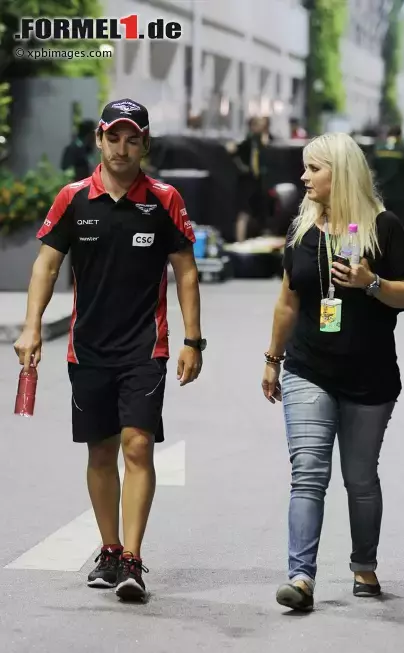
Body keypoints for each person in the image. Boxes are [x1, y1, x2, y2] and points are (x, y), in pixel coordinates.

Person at [14, 98, 207, 602]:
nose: (122, 148)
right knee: (100, 450)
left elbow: (186, 270)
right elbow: (45, 267)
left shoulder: (164, 199)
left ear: (145, 144)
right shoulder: (73, 198)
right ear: (100, 140)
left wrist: (192, 339)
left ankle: (133, 561)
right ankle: (109, 548)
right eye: (113, 137)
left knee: (137, 445)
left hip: (146, 346)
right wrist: (31, 327)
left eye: (133, 138)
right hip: (89, 349)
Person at [262, 132, 404, 612]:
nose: (303, 177)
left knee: (359, 478)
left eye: (314, 169)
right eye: (304, 168)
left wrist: (370, 283)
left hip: (370, 376)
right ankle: (301, 577)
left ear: (341, 172)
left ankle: (364, 567)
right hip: (308, 368)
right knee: (308, 473)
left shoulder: (384, 227)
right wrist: (273, 360)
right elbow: (288, 301)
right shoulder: (301, 230)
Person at [372, 125, 404, 239]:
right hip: (400, 192)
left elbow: (372, 168)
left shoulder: (378, 149)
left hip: (382, 191)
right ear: (399, 135)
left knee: (381, 219)